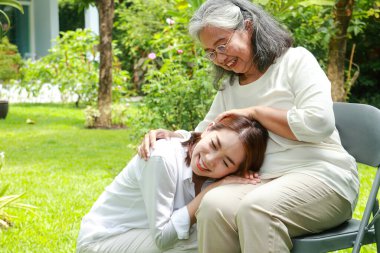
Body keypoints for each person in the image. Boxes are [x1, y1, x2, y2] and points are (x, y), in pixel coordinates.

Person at [138, 0, 360, 252]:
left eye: (222, 45)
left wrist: (256, 112)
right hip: (261, 185)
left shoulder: (296, 62)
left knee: (257, 209)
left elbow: (319, 123)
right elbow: (204, 131)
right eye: (211, 52)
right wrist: (169, 136)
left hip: (324, 178)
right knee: (212, 206)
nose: (220, 58)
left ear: (248, 27)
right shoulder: (230, 88)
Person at [76, 115, 268, 253]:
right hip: (103, 241)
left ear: (235, 170)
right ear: (207, 130)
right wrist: (210, 191)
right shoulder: (162, 158)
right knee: (206, 238)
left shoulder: (215, 172)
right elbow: (162, 238)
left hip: (142, 235)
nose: (210, 160)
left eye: (226, 162)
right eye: (214, 145)